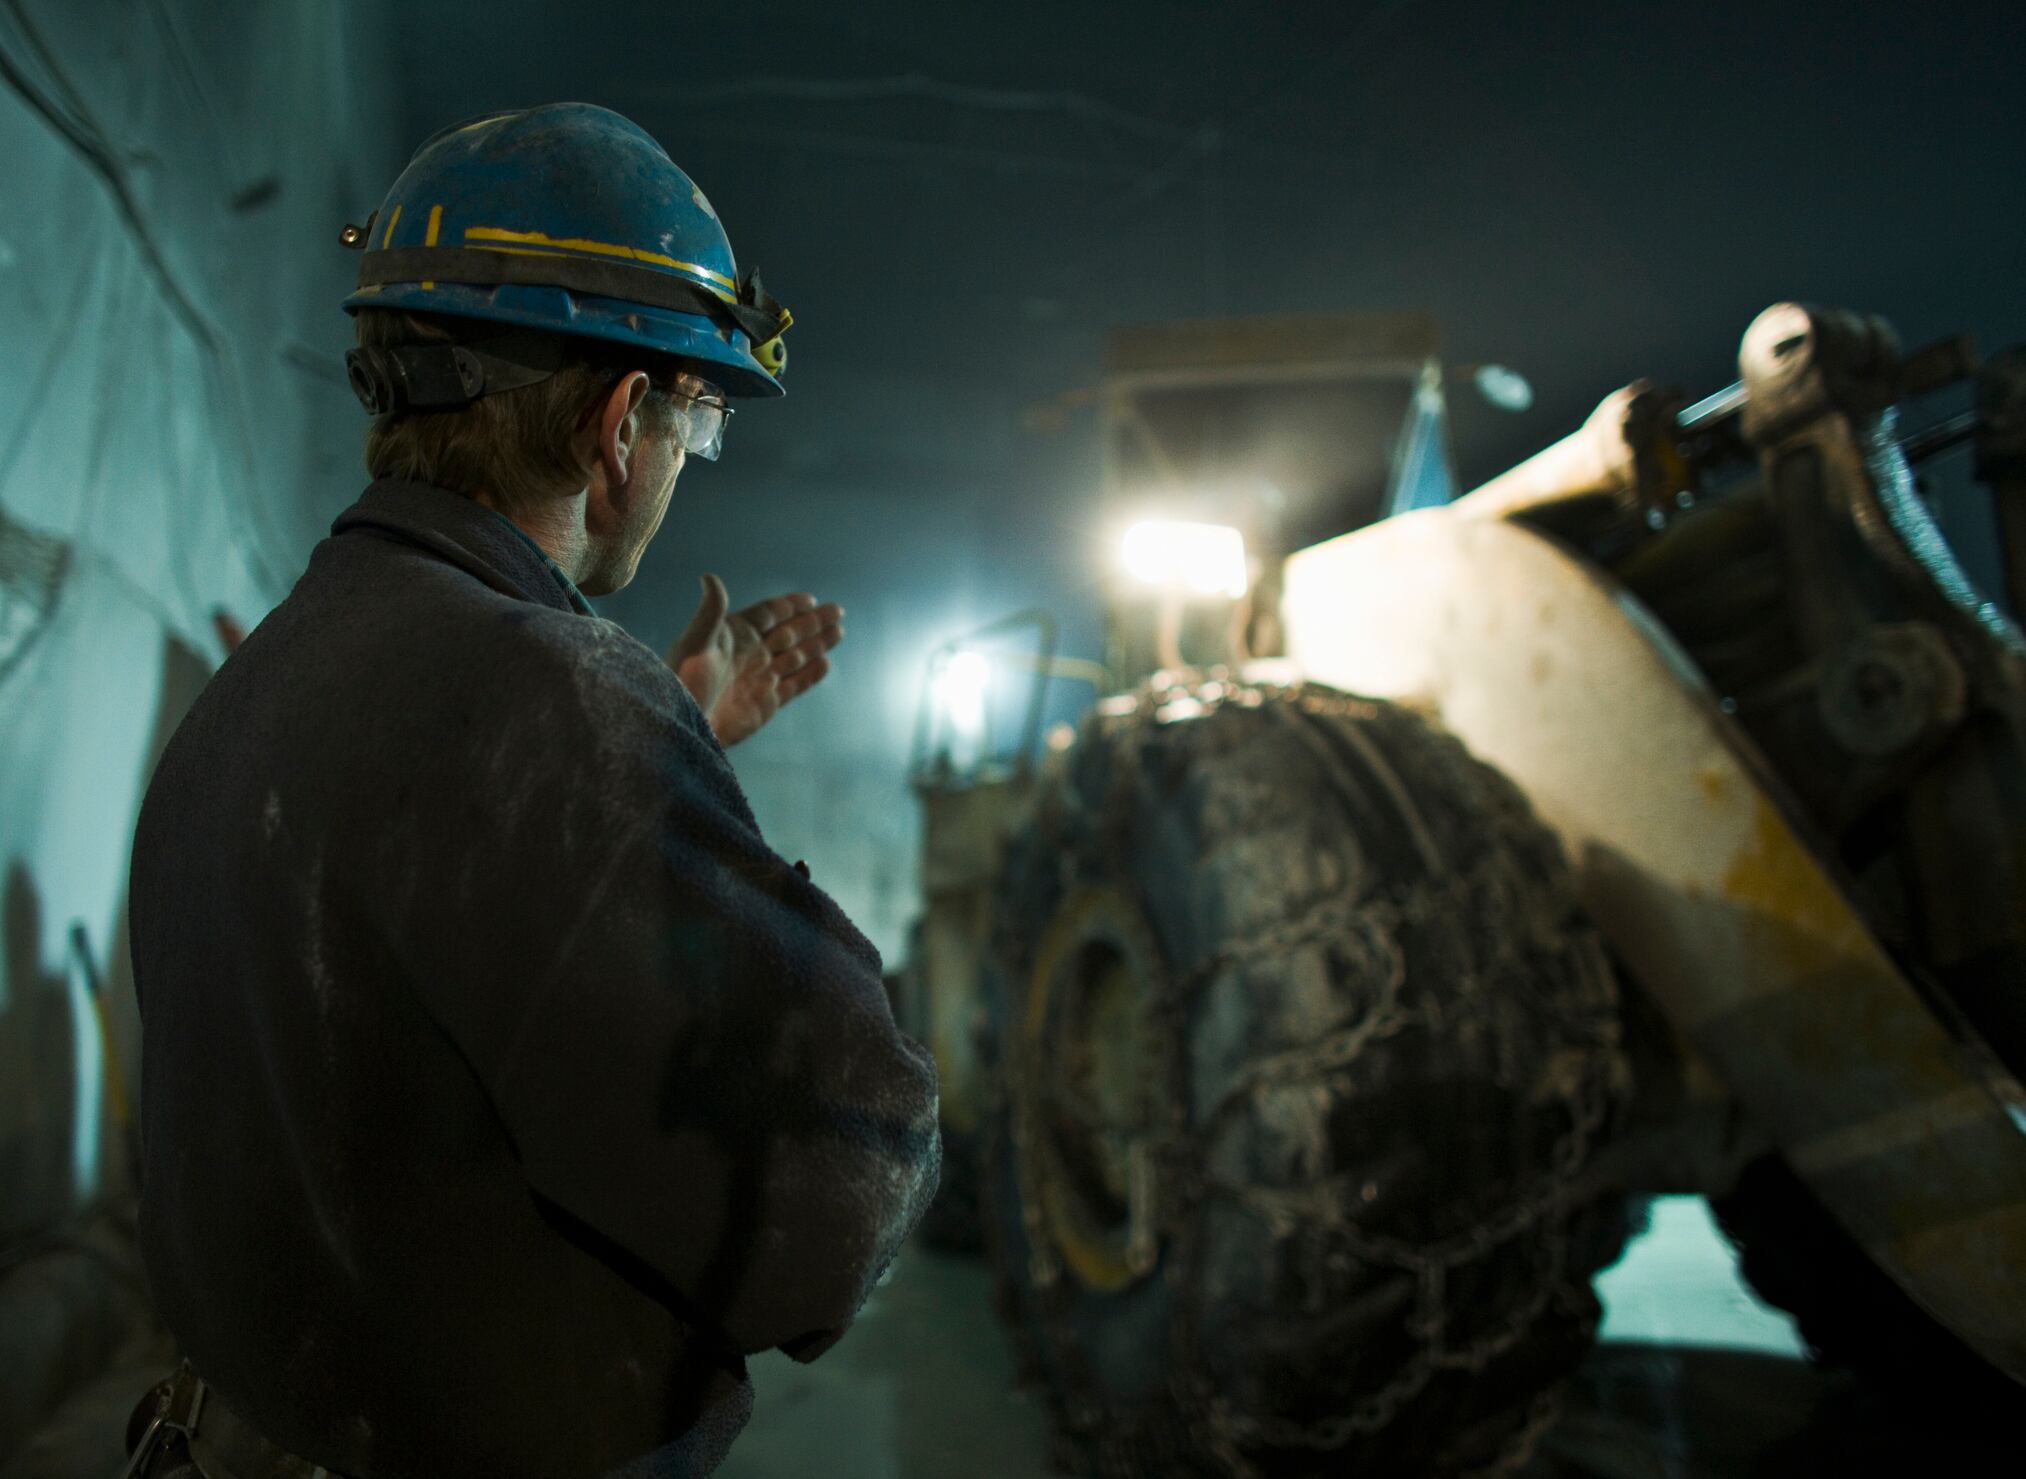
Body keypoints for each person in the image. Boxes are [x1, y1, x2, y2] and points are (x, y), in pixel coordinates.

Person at [123, 103, 940, 1479]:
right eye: (696, 421)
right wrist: (625, 748)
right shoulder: (546, 701)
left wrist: (657, 744)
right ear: (623, 424)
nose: (683, 461)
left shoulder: (259, 687)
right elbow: (833, 1198)